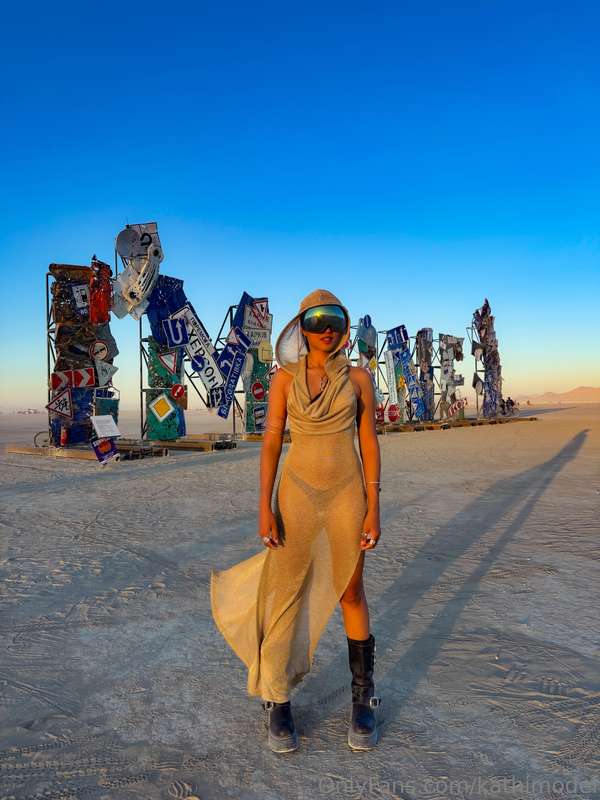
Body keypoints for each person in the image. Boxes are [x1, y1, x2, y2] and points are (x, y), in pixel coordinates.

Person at [210, 288, 382, 753]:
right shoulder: (283, 379)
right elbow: (271, 442)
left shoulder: (360, 379)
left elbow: (369, 442)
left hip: (347, 495)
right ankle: (278, 699)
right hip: (297, 495)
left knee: (350, 590)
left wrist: (374, 503)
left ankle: (363, 698)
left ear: (344, 327)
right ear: (301, 327)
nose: (326, 329)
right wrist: (264, 505)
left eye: (335, 319)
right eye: (316, 320)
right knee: (285, 592)